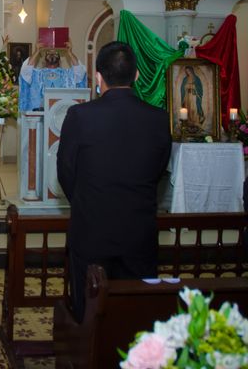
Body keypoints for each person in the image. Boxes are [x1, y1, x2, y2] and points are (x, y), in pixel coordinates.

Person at [57, 41, 172, 322]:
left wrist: (88, 200)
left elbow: (65, 172)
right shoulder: (158, 119)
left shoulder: (80, 116)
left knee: (89, 311)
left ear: (98, 78)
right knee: (135, 314)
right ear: (135, 76)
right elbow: (159, 171)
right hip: (139, 232)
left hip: (91, 231)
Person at [19, 40, 87, 111]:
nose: (52, 54)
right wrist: (37, 51)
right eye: (49, 53)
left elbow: (80, 71)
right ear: (44, 61)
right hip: (40, 115)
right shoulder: (37, 74)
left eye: (55, 53)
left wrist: (70, 52)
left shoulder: (67, 74)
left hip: (61, 113)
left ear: (60, 61)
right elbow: (25, 70)